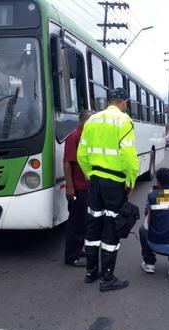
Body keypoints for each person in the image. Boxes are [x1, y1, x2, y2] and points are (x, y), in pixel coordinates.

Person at [77, 88, 139, 292]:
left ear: (110, 101)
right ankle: (108, 278)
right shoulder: (124, 120)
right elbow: (128, 155)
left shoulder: (92, 120)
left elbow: (82, 153)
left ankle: (91, 273)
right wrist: (131, 180)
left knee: (93, 225)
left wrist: (89, 174)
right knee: (112, 226)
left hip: (95, 181)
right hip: (114, 183)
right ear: (124, 103)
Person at [139, 168, 169, 278]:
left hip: (155, 243)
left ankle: (149, 264)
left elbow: (146, 215)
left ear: (157, 182)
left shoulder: (152, 196)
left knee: (142, 230)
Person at [63, 110, 93, 267]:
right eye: (88, 120)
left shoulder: (88, 137)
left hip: (87, 186)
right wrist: (69, 187)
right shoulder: (73, 137)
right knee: (76, 223)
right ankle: (71, 257)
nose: (90, 124)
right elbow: (67, 162)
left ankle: (78, 249)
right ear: (81, 119)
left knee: (84, 222)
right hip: (77, 188)